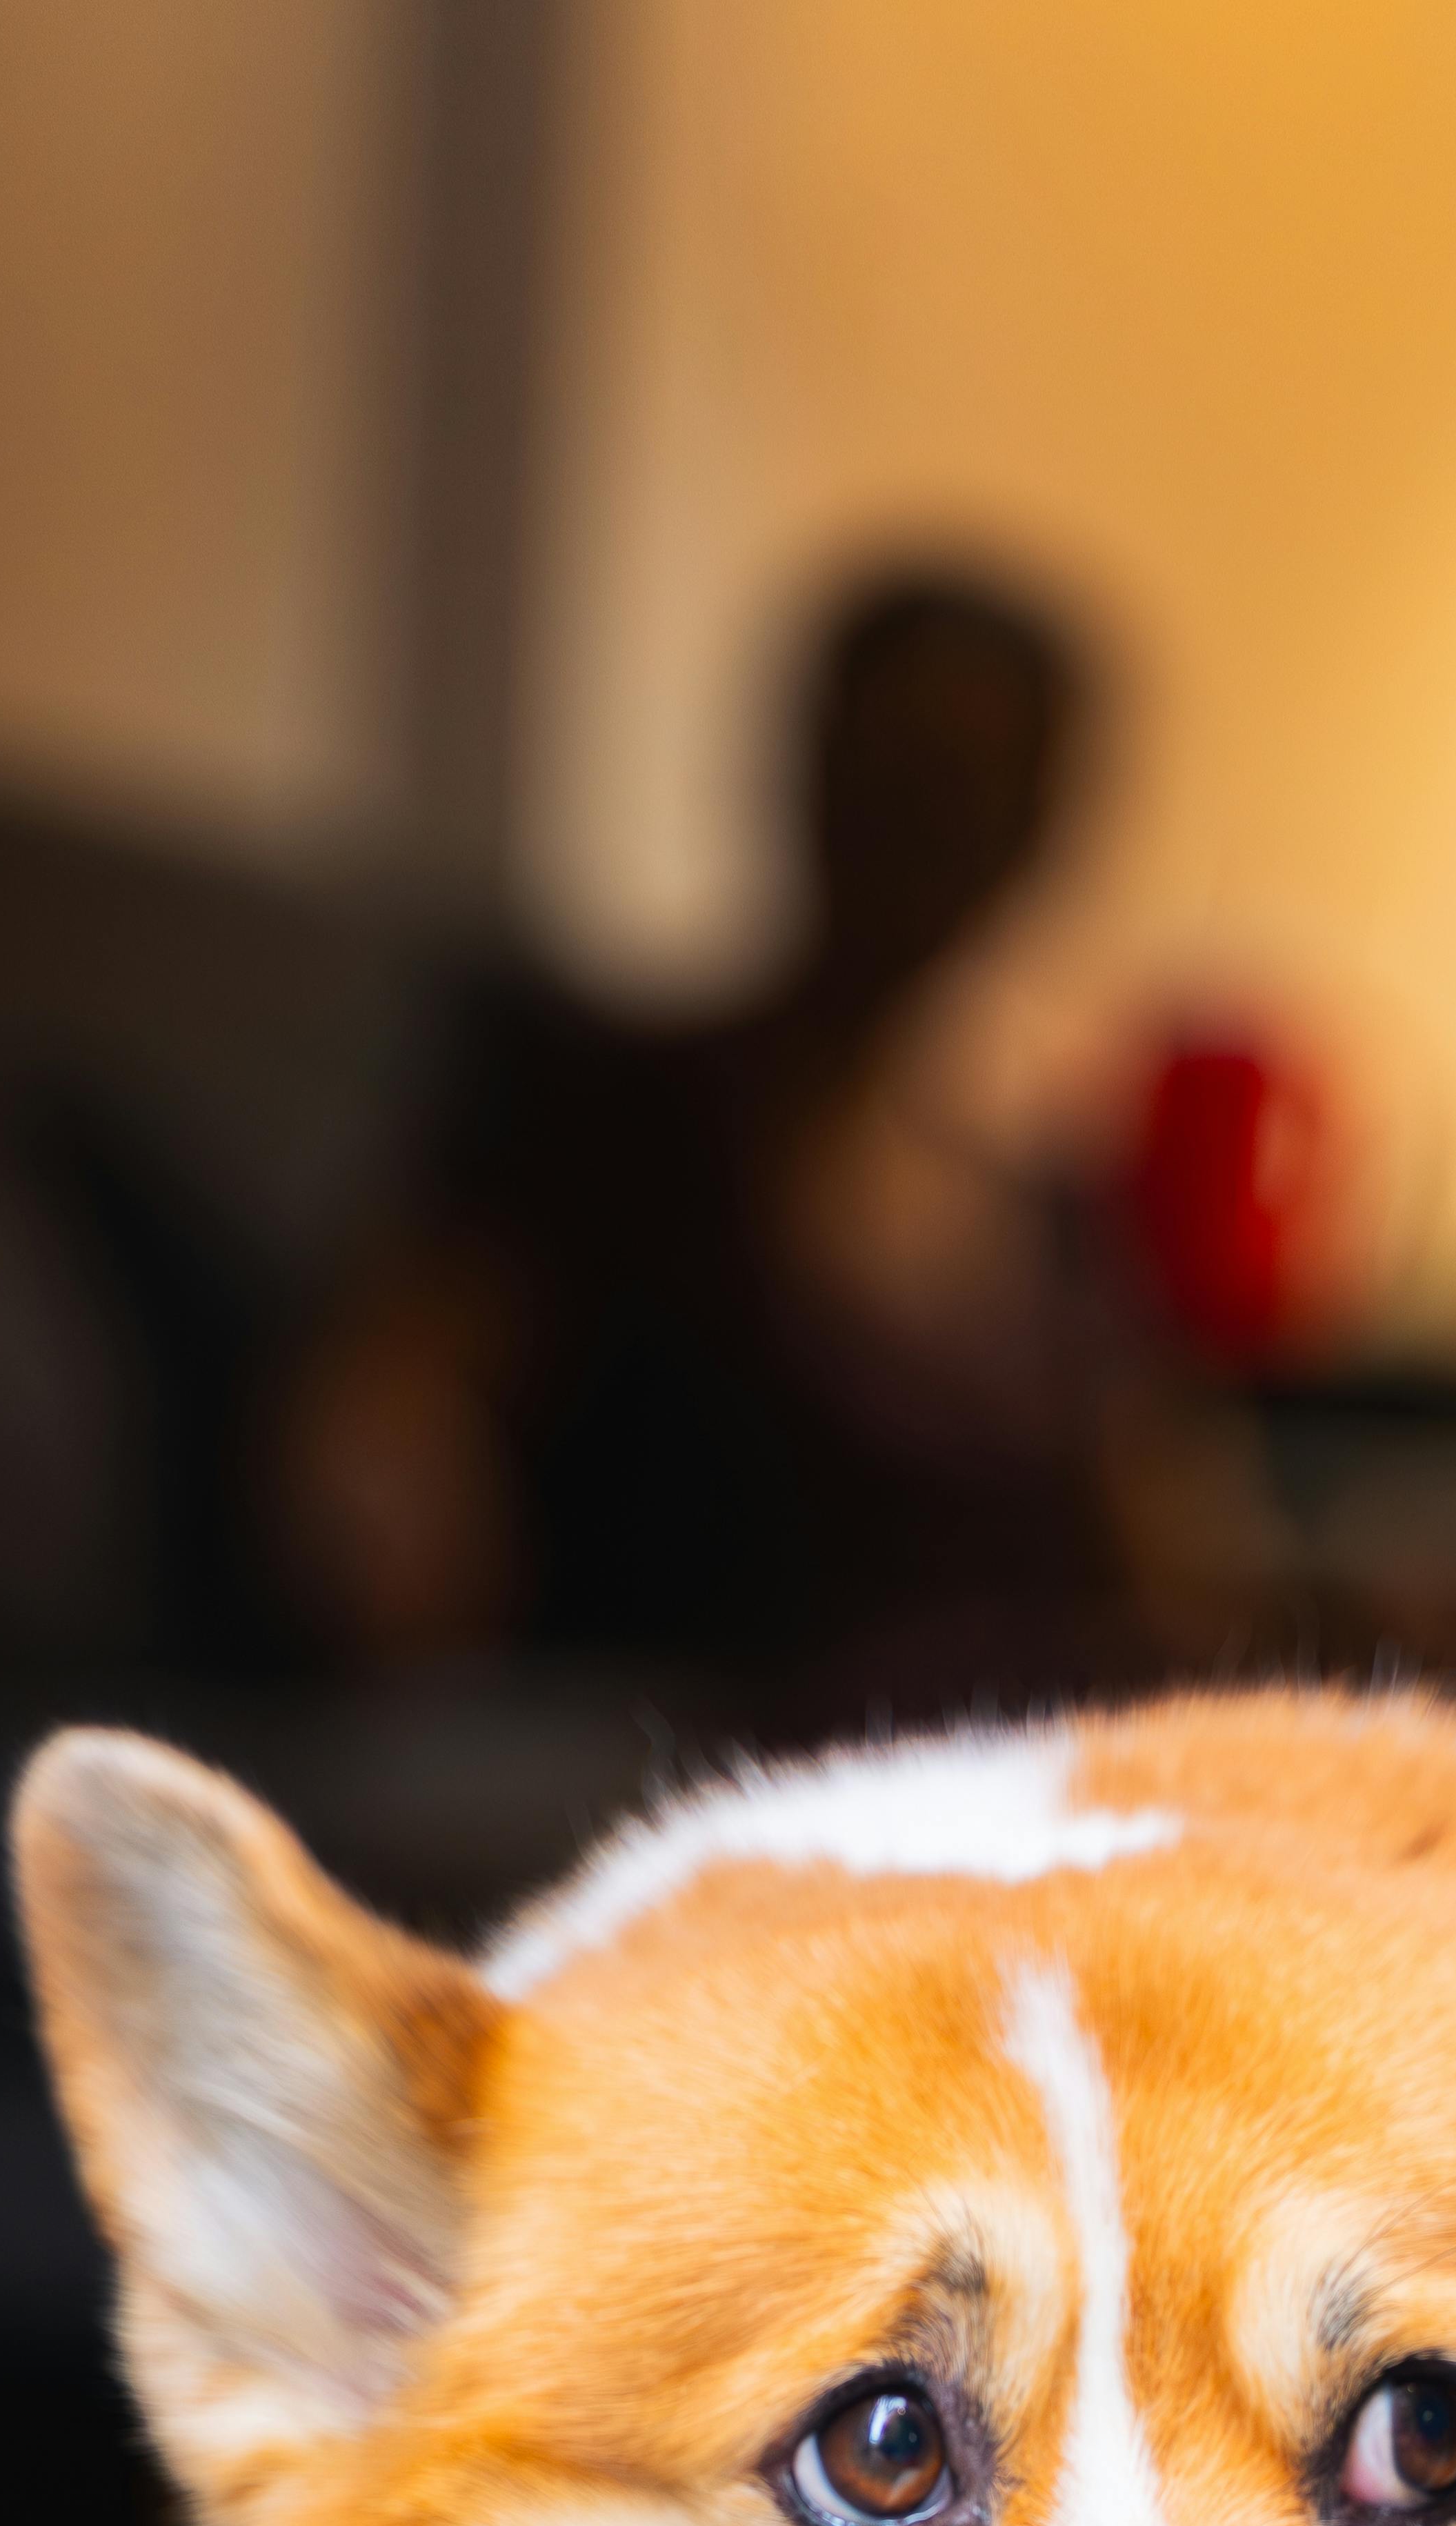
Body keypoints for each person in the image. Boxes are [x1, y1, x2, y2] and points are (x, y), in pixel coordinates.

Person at [277, 561, 1150, 1736]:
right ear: (804, 763)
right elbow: (404, 1386)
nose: (920, 819)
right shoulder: (620, 1102)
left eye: (969, 783)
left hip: (1062, 1797)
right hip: (771, 1782)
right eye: (890, 762)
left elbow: (1156, 1559)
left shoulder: (1053, 1206)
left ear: (1039, 832)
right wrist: (383, 1511)